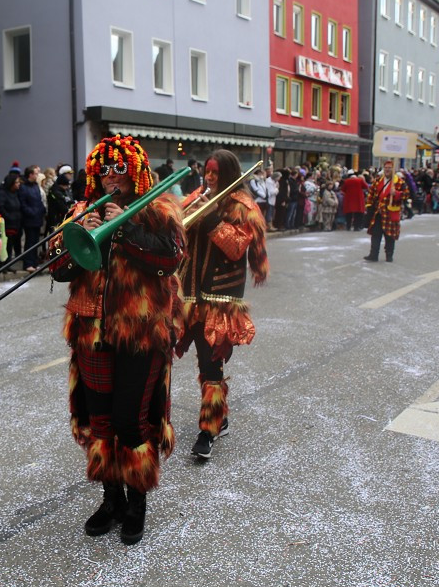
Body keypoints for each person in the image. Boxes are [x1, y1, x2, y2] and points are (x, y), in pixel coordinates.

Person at [47, 135, 185, 545]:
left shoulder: (156, 208)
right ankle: (112, 499)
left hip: (140, 332)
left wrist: (124, 229)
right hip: (91, 331)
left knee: (130, 420)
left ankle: (137, 500)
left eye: (119, 169)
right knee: (101, 422)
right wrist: (76, 236)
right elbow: (58, 270)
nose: (111, 178)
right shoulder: (80, 210)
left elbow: (172, 257)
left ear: (135, 170)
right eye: (103, 170)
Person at [175, 149, 268, 460]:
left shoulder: (243, 206)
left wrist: (212, 215)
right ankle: (220, 416)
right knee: (203, 362)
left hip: (218, 296)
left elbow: (236, 248)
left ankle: (210, 427)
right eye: (207, 172)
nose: (209, 178)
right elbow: (177, 227)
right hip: (189, 294)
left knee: (211, 362)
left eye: (215, 173)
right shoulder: (199, 195)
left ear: (227, 174)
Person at [364, 160, 407, 262]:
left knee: (390, 236)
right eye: (386, 168)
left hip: (390, 213)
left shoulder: (400, 182)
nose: (387, 170)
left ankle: (389, 255)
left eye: (389, 168)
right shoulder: (378, 181)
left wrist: (396, 193)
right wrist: (369, 207)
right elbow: (371, 195)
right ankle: (373, 255)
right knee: (375, 234)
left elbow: (406, 195)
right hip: (378, 213)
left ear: (393, 169)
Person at [18, 165, 46, 271]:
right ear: (30, 174)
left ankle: (34, 262)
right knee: (29, 241)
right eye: (35, 173)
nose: (37, 175)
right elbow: (23, 203)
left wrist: (42, 210)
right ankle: (28, 263)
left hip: (37, 217)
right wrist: (32, 212)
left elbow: (39, 201)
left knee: (35, 241)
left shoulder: (35, 186)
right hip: (29, 219)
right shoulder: (24, 187)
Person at [0, 172, 23, 267]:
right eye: (16, 182)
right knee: (6, 245)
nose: (18, 184)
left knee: (12, 245)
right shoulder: (3, 194)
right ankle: (4, 265)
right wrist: (9, 217)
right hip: (7, 224)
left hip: (16, 223)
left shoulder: (16, 193)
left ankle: (8, 264)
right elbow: (1, 207)